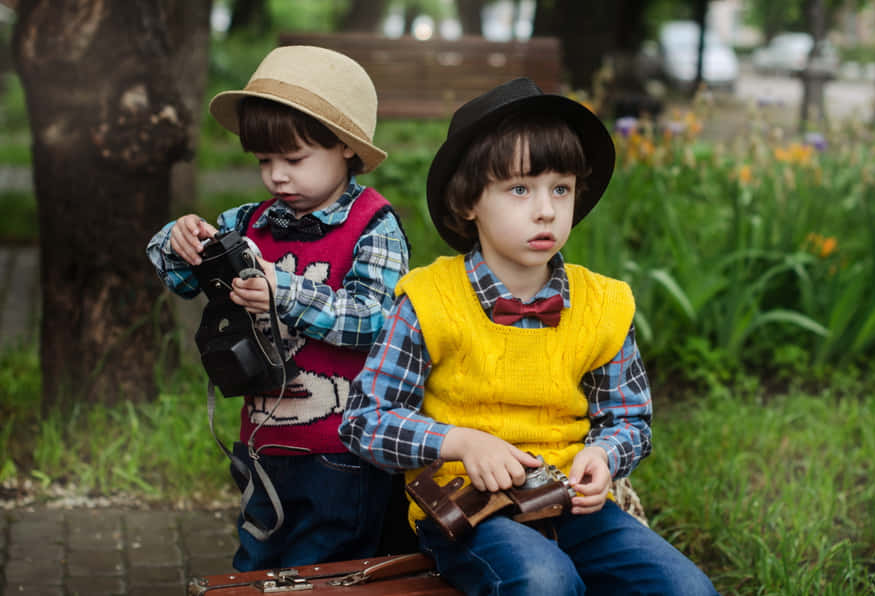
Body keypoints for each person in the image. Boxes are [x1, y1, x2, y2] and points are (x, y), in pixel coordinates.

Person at [339, 77, 718, 595]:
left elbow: (630, 418)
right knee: (544, 582)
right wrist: (459, 442)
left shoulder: (602, 304)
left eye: (560, 188)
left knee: (686, 588)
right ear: (468, 201)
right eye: (520, 189)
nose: (546, 210)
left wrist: (603, 457)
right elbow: (365, 419)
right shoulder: (429, 300)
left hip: (570, 502)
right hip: (469, 509)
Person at [146, 46, 409, 571]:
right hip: (264, 445)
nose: (277, 177)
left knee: (327, 569)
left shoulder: (373, 226)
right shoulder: (250, 222)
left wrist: (283, 292)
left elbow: (377, 321)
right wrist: (178, 240)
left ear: (346, 147)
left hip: (343, 452)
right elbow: (179, 279)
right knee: (258, 561)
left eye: (294, 160)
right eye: (264, 161)